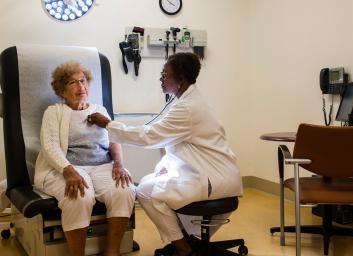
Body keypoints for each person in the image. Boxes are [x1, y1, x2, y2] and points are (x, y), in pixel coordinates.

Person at [88, 52, 243, 256]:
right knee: (151, 180)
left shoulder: (187, 108)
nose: (161, 79)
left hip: (212, 179)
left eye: (165, 75)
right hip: (210, 172)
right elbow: (180, 144)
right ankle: (187, 240)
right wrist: (163, 169)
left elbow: (149, 136)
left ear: (180, 80)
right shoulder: (188, 101)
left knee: (145, 190)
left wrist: (108, 124)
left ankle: (184, 248)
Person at [34, 61, 136, 256]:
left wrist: (119, 164)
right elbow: (50, 146)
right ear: (62, 91)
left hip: (101, 165)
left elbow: (114, 139)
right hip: (69, 166)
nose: (81, 86)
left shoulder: (100, 110)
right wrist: (68, 170)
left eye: (83, 81)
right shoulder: (54, 112)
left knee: (125, 189)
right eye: (73, 83)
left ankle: (112, 252)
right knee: (79, 196)